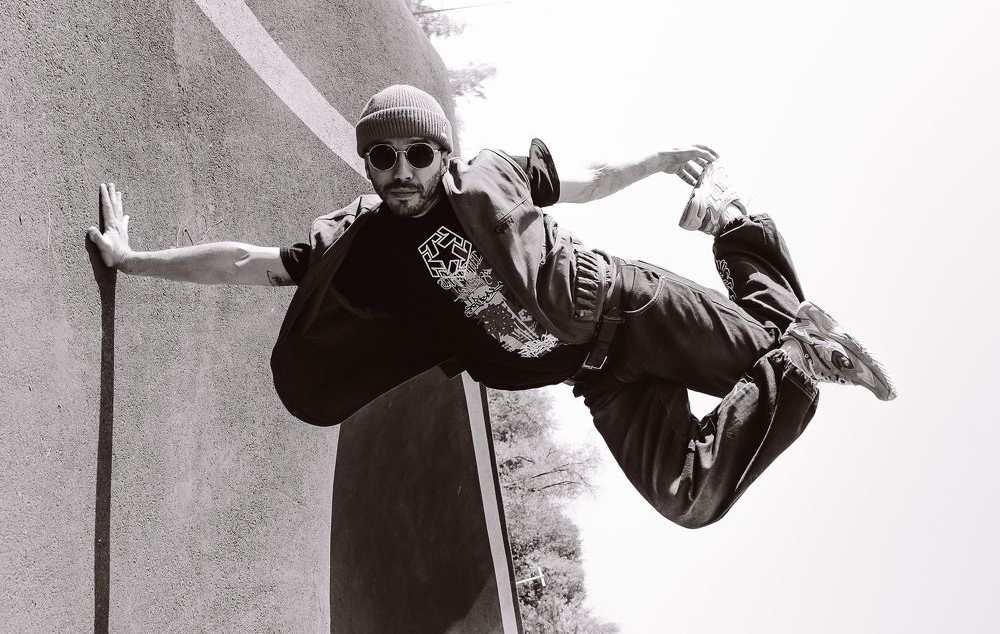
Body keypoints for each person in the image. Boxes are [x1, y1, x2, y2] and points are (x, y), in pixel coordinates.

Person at [87, 84, 895, 529]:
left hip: (624, 307)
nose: (401, 171)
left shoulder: (488, 176)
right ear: (368, 164)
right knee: (689, 496)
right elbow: (248, 261)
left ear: (441, 153)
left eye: (417, 153)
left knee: (767, 348)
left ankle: (733, 222)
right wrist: (132, 258)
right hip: (599, 376)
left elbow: (583, 178)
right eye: (383, 157)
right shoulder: (360, 250)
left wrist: (656, 162)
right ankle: (794, 340)